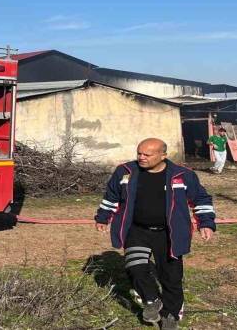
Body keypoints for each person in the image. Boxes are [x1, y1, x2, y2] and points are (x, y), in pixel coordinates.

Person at [95, 138, 216, 329]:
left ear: (163, 155)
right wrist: (103, 217)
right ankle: (151, 300)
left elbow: (201, 198)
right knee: (135, 267)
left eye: (147, 154)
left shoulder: (182, 175)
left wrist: (206, 223)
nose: (141, 157)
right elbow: (112, 195)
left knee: (171, 277)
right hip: (137, 230)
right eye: (139, 153)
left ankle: (171, 315)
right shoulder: (125, 172)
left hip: (169, 234)